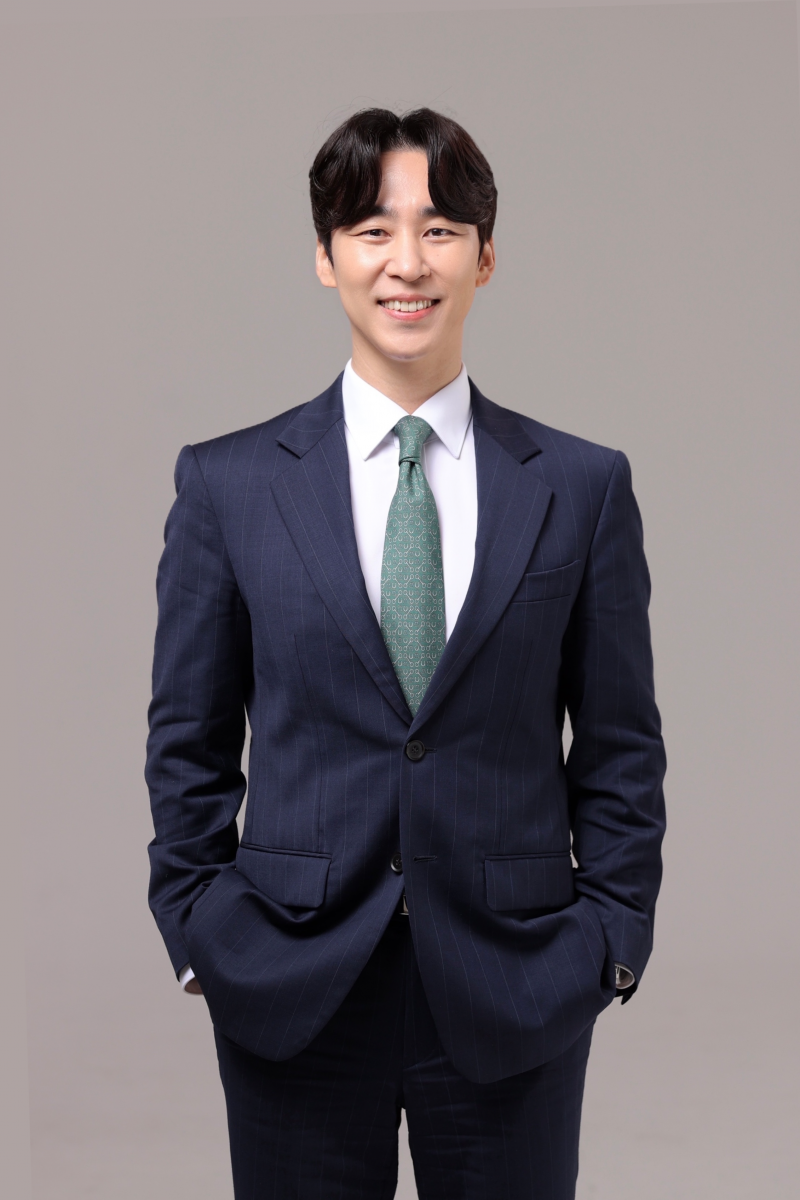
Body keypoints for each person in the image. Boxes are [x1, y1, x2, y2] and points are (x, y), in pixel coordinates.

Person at [145, 107, 666, 1200]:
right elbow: (187, 740)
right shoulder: (230, 485)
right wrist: (200, 934)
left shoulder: (579, 487)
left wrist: (609, 941)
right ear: (326, 257)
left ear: (485, 256)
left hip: (517, 980)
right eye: (372, 230)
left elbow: (620, 746)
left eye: (438, 230)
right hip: (288, 976)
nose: (407, 262)